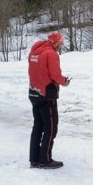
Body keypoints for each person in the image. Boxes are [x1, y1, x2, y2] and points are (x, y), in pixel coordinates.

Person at [27, 32, 70, 169]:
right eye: (60, 44)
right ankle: (45, 160)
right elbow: (55, 75)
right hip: (47, 94)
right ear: (55, 43)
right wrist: (64, 82)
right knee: (51, 127)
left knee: (38, 126)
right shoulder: (51, 54)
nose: (60, 46)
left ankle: (35, 159)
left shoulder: (35, 51)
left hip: (34, 93)